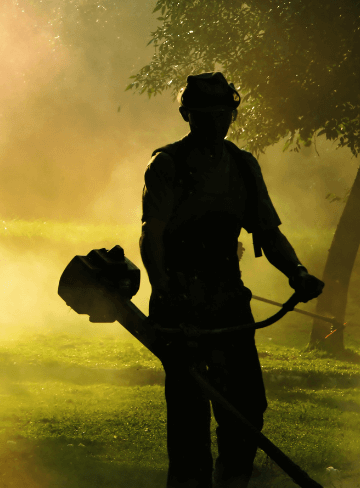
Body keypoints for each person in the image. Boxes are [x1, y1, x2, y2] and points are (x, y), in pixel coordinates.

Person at [139, 72, 324, 488]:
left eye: (223, 113)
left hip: (228, 303)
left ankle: (233, 480)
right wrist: (165, 292)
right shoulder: (166, 165)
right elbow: (152, 235)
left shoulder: (242, 165)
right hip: (181, 304)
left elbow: (267, 231)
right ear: (187, 115)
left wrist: (296, 272)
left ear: (232, 115)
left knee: (246, 410)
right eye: (204, 114)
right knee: (189, 416)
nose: (215, 122)